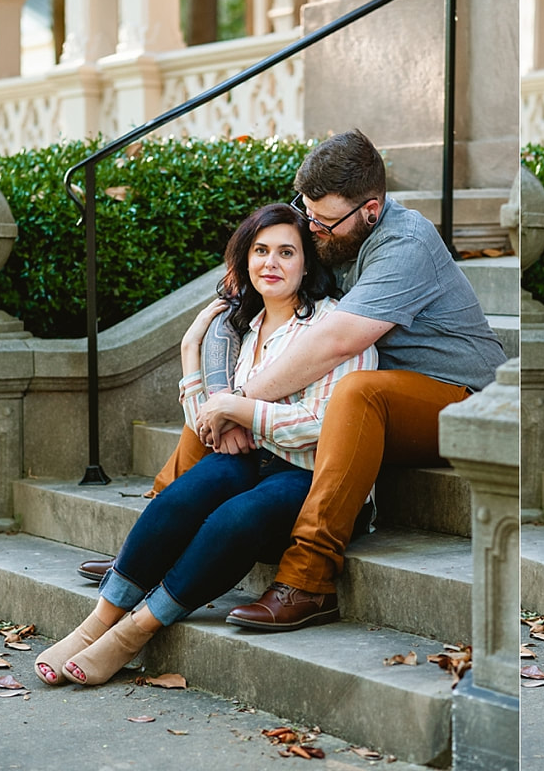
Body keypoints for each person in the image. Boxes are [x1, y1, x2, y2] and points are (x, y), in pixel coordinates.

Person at [80, 130, 507, 630]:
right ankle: (154, 539)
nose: (312, 229)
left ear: (370, 210)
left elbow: (336, 342)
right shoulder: (327, 228)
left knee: (353, 391)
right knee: (227, 401)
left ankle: (309, 580)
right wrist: (220, 393)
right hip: (377, 391)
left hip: (463, 403)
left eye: (324, 221)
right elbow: (231, 307)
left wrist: (237, 403)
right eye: (306, 213)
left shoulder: (405, 243)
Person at [35, 204, 377, 686]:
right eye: (260, 251)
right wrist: (190, 348)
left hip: (319, 479)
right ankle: (98, 620)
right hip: (259, 461)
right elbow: (208, 424)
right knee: (182, 496)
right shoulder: (247, 328)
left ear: (307, 263)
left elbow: (326, 426)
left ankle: (135, 631)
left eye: (286, 252)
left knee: (234, 517)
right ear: (245, 259)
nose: (271, 263)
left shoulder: (334, 325)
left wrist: (241, 410)